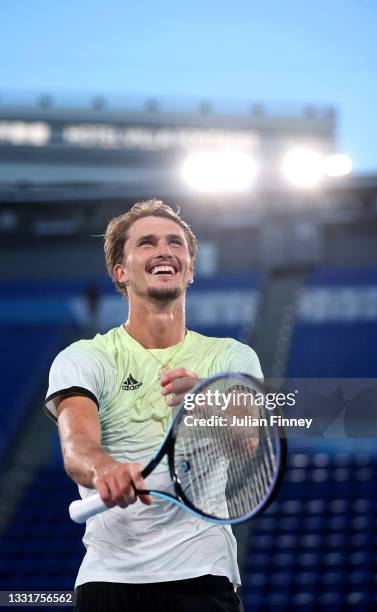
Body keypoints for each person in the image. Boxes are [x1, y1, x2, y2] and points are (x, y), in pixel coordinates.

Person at [44, 199, 263, 612]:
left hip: (204, 577)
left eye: (175, 243)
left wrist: (208, 402)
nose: (164, 251)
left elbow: (246, 445)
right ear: (120, 272)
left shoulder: (232, 357)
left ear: (190, 269)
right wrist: (104, 469)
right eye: (147, 243)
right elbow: (76, 446)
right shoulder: (86, 357)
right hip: (109, 580)